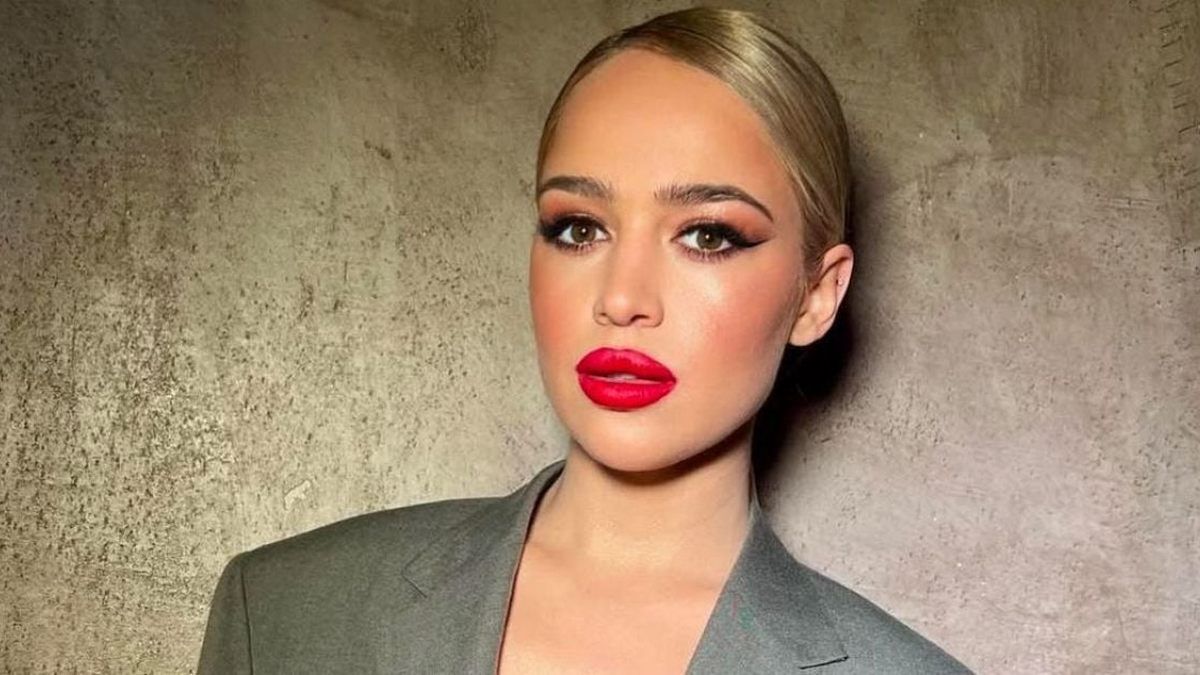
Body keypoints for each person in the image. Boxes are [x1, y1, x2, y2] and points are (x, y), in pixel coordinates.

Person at [197, 7, 971, 674]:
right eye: (579, 228)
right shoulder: (283, 611)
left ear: (817, 294)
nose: (622, 298)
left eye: (707, 235)